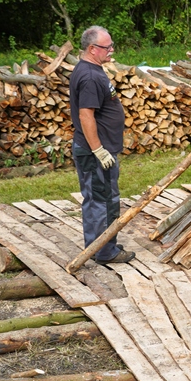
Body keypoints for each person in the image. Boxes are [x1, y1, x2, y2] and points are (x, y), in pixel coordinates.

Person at [69, 26, 135, 265]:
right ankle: (105, 251)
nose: (112, 50)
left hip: (97, 148)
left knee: (97, 198)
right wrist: (98, 149)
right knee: (104, 200)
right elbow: (86, 115)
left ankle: (99, 246)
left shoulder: (91, 69)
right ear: (92, 49)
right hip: (96, 150)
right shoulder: (89, 76)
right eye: (107, 47)